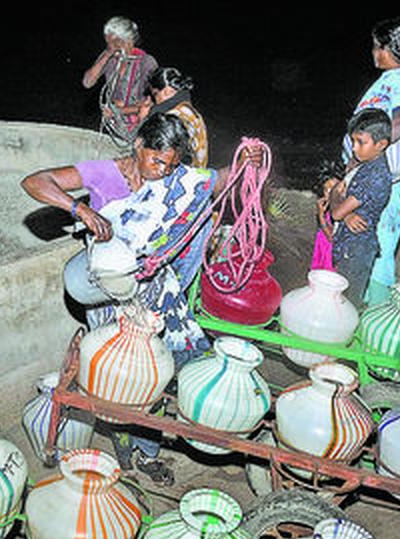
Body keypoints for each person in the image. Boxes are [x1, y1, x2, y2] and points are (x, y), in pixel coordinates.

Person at [21, 114, 260, 483]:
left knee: (151, 379)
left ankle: (147, 454)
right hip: (106, 291)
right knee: (118, 379)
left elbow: (216, 181)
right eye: (156, 160)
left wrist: (245, 164)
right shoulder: (105, 174)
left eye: (171, 165)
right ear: (138, 145)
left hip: (153, 290)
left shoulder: (176, 180)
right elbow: (35, 181)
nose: (163, 172)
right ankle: (120, 443)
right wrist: (81, 209)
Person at [341, 18, 400, 305]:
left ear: (389, 48)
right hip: (374, 186)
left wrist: (366, 156)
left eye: (378, 46)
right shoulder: (391, 80)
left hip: (380, 190)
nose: (374, 52)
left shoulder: (399, 80)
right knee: (371, 253)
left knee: (376, 256)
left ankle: (373, 320)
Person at [322, 109, 392, 306]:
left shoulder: (375, 177)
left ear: (381, 144)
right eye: (353, 141)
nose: (354, 148)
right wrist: (346, 213)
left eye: (361, 142)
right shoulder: (366, 164)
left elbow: (336, 212)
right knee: (340, 299)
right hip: (349, 243)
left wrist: (337, 196)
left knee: (346, 303)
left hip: (357, 248)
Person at [81, 16, 158, 145]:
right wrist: (107, 54)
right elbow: (87, 82)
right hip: (115, 127)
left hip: (140, 128)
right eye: (108, 43)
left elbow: (151, 103)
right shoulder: (109, 57)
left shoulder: (146, 63)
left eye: (117, 43)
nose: (112, 48)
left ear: (129, 41)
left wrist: (120, 110)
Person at [135, 67, 208, 167]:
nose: (155, 101)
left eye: (155, 94)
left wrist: (143, 119)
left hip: (187, 173)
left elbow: (145, 148)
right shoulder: (186, 108)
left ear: (167, 91)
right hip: (197, 166)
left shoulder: (171, 118)